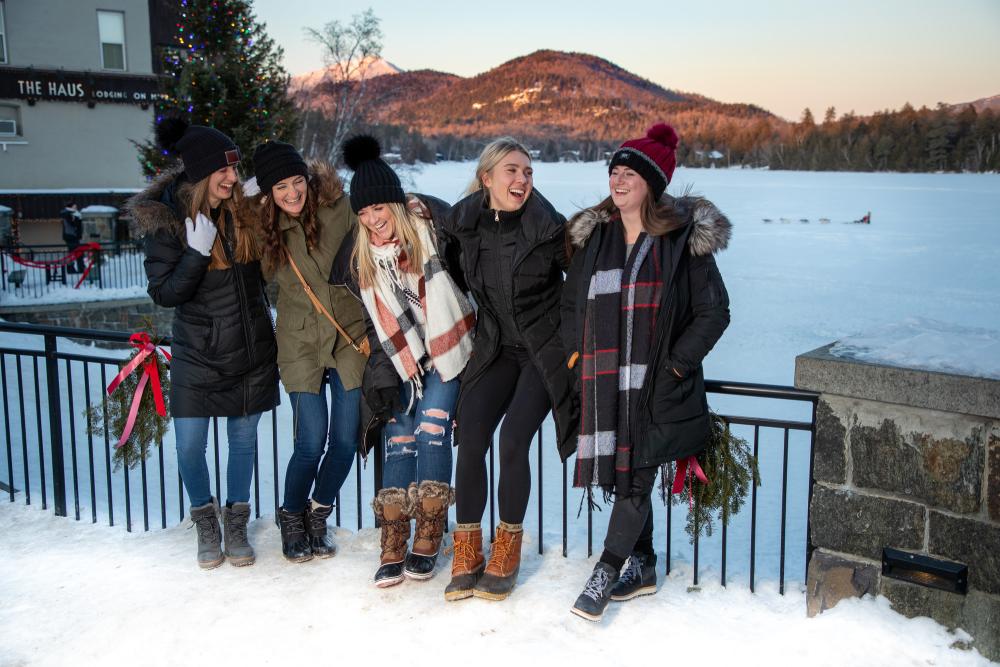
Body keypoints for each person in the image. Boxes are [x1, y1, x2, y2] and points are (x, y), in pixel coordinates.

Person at [561, 123, 731, 621]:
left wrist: (677, 365)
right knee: (620, 476)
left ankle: (607, 568)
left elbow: (714, 312)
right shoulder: (598, 236)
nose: (617, 179)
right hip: (605, 384)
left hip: (657, 385)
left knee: (635, 479)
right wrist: (577, 356)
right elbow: (573, 303)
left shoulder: (678, 241)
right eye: (614, 170)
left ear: (650, 183)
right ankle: (645, 563)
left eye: (628, 172)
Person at [127, 119, 279, 569]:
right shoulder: (168, 223)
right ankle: (205, 520)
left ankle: (235, 522)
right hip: (197, 352)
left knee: (243, 442)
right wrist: (195, 253)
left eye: (235, 169)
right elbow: (165, 293)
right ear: (200, 175)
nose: (232, 178)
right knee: (190, 446)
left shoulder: (243, 212)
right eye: (224, 171)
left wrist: (263, 193)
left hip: (250, 348)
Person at [333, 135, 473, 587]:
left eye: (380, 209)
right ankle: (394, 536)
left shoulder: (435, 234)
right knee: (399, 438)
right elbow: (378, 329)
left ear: (397, 204)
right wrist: (392, 369)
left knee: (432, 427)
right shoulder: (363, 262)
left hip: (447, 352)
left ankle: (430, 533)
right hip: (402, 361)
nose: (374, 221)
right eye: (364, 214)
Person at [443, 137, 578, 602]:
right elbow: (445, 263)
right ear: (487, 178)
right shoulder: (464, 223)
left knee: (513, 439)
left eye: (528, 172)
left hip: (544, 349)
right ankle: (467, 548)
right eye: (512, 171)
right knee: (472, 437)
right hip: (496, 345)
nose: (522, 180)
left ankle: (508, 546)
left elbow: (584, 279)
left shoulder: (549, 227)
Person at [250, 140, 367, 563]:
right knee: (310, 443)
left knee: (345, 441)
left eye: (297, 181)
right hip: (299, 343)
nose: (292, 193)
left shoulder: (341, 208)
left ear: (308, 178)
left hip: (348, 336)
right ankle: (292, 516)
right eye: (280, 187)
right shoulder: (264, 230)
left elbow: (380, 222)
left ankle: (319, 512)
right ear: (267, 193)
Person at [59, 201, 86, 273]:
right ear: (70, 207)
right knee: (76, 252)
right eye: (75, 207)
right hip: (71, 236)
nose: (76, 208)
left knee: (74, 252)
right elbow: (73, 224)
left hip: (72, 235)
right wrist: (78, 219)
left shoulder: (71, 214)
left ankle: (75, 267)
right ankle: (77, 268)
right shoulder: (69, 214)